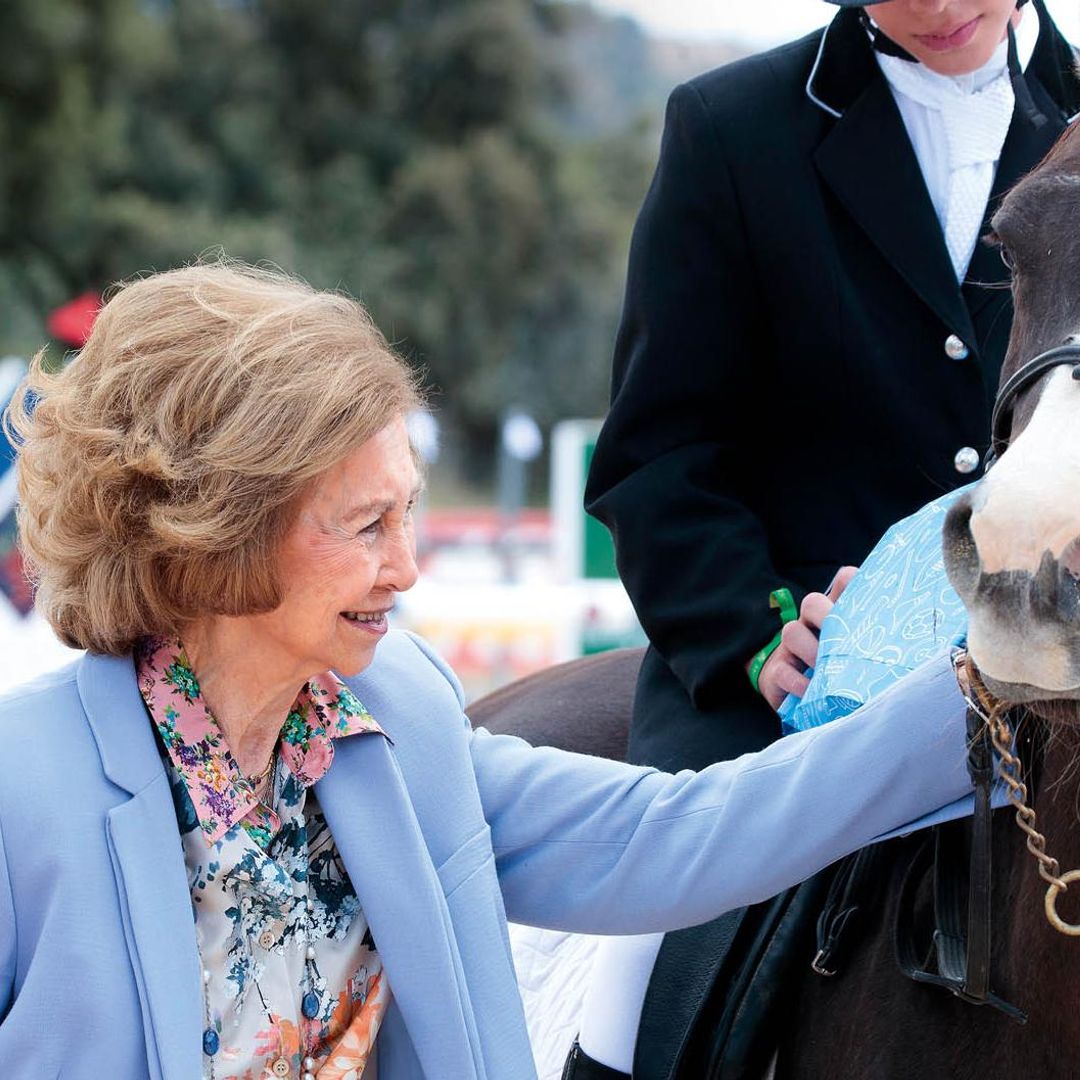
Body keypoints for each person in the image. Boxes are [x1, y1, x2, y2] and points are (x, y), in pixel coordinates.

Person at [0, 261, 978, 1079]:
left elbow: (679, 838)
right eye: (365, 526)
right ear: (218, 535)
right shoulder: (22, 786)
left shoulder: (396, 717)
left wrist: (982, 682)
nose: (408, 566)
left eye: (410, 512)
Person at [577, 0, 1080, 1075]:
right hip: (797, 664)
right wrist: (757, 634)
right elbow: (656, 459)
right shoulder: (731, 127)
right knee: (640, 990)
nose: (942, 7)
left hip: (1054, 646)